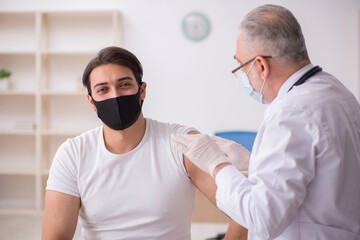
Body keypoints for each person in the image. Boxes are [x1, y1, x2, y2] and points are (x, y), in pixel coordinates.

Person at [172, 4, 360, 240]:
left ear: (260, 65)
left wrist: (217, 164)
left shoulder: (291, 111)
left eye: (241, 67)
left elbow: (260, 217)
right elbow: (318, 168)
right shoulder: (335, 91)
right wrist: (255, 163)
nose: (243, 78)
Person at [41, 46, 248, 240]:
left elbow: (245, 212)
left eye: (124, 85)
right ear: (91, 102)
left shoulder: (182, 143)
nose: (115, 96)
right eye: (103, 90)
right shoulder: (73, 154)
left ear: (142, 91)